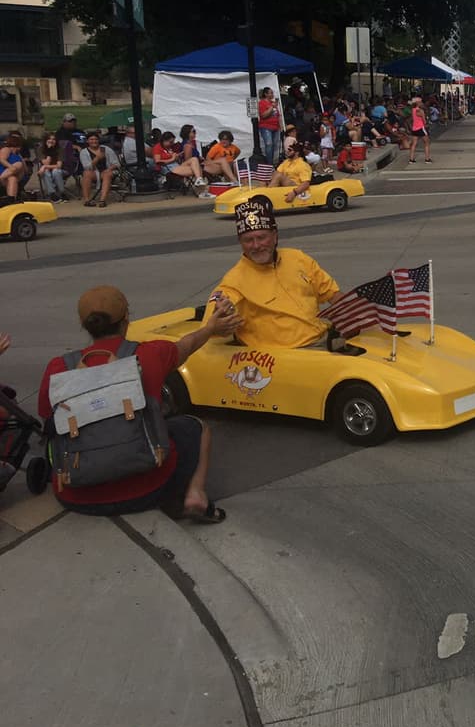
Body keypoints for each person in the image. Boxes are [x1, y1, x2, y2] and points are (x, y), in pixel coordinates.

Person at [36, 285, 241, 521]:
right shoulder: (148, 355)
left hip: (75, 495)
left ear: (84, 325)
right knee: (196, 427)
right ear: (126, 319)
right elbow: (188, 345)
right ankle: (195, 494)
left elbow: (47, 417)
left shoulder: (58, 367)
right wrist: (211, 328)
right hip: (147, 491)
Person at [209, 198, 341, 349]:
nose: (256, 245)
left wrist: (358, 315)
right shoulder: (233, 281)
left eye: (261, 237)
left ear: (274, 235)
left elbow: (333, 294)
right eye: (248, 240)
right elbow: (214, 316)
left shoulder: (298, 258)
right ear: (240, 242)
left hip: (324, 338)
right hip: (287, 357)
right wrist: (219, 320)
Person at [152, 131, 209, 195]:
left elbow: (174, 158)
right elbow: (157, 161)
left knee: (194, 159)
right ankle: (201, 191)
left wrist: (177, 157)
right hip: (168, 168)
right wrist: (172, 159)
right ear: (164, 140)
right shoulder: (157, 147)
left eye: (173, 142)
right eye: (170, 142)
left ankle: (199, 180)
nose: (172, 144)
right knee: (198, 169)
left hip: (176, 165)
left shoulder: (169, 148)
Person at [79, 131, 119, 207]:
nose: (94, 141)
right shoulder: (84, 152)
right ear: (87, 141)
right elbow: (87, 167)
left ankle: (102, 200)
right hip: (94, 172)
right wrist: (97, 158)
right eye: (91, 139)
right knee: (86, 173)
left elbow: (116, 163)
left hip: (107, 171)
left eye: (96, 139)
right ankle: (87, 200)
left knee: (107, 174)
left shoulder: (106, 149)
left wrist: (109, 169)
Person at [36, 132, 67, 202]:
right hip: (47, 170)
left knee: (56, 171)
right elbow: (46, 162)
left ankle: (62, 193)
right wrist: (49, 150)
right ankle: (52, 194)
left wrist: (44, 167)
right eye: (49, 139)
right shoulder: (40, 149)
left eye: (54, 139)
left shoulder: (60, 149)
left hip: (61, 170)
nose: (51, 141)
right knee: (46, 172)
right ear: (45, 140)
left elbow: (59, 166)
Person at [0, 132, 28, 202]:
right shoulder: (6, 149)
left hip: (16, 175)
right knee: (13, 177)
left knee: (13, 177)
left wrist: (22, 162)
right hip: (4, 175)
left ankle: (11, 200)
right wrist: (11, 167)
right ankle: (12, 200)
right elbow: (2, 160)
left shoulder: (18, 155)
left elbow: (26, 170)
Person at [257, 87, 282, 163]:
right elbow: (263, 115)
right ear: (266, 94)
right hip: (266, 127)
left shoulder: (272, 103)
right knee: (269, 144)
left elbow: (278, 115)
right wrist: (272, 107)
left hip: (275, 127)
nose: (272, 94)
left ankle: (272, 162)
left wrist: (281, 126)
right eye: (270, 93)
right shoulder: (262, 103)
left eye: (272, 93)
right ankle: (269, 164)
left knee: (274, 145)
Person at [407, 97, 431, 163]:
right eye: (420, 102)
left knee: (414, 143)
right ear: (418, 103)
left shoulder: (413, 109)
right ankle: (427, 159)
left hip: (414, 128)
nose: (422, 103)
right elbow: (424, 121)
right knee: (427, 143)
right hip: (421, 128)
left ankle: (411, 159)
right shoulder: (421, 110)